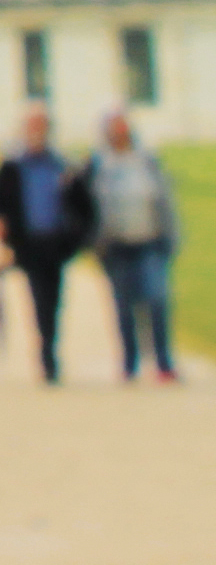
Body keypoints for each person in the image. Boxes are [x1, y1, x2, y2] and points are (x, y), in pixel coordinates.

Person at [0, 108, 100, 383]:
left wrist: (79, 238)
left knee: (55, 298)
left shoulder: (61, 164)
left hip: (56, 243)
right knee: (40, 296)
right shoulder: (13, 166)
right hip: (28, 243)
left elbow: (84, 205)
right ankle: (47, 351)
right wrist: (1, 225)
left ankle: (49, 344)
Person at [88, 110, 181, 384]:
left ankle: (163, 361)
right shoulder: (98, 164)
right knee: (124, 306)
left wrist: (171, 235)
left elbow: (165, 199)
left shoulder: (147, 159)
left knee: (157, 299)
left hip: (150, 241)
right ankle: (130, 361)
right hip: (116, 246)